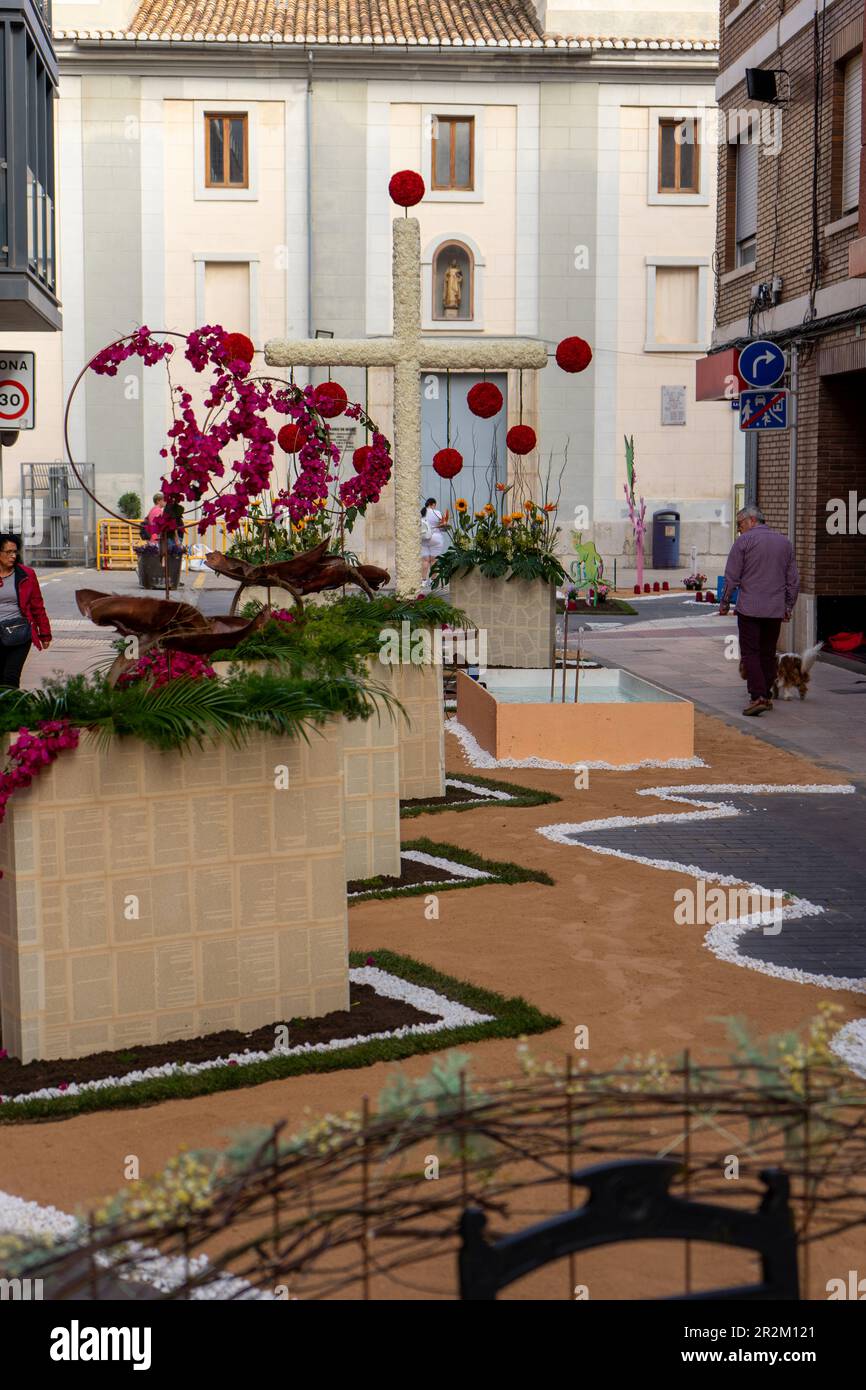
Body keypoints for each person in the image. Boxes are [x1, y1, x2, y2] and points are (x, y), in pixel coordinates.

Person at [719, 505, 799, 717]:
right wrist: (788, 606)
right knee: (767, 652)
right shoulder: (785, 543)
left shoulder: (743, 542)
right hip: (774, 610)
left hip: (749, 609)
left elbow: (731, 577)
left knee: (750, 652)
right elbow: (793, 581)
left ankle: (758, 696)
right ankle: (766, 693)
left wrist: (725, 602)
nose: (739, 529)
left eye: (740, 524)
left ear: (752, 520)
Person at [0, 533, 52, 688]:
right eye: (8, 552)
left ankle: (13, 710)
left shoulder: (26, 574)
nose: (13, 556)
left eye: (15, 552)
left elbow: (37, 605)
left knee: (11, 677)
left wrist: (45, 633)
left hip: (19, 632)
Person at [421, 497, 448, 583]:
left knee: (425, 560)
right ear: (432, 504)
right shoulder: (437, 513)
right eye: (435, 505)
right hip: (436, 537)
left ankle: (423, 581)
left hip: (424, 537)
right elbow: (444, 525)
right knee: (434, 560)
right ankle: (433, 580)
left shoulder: (421, 512)